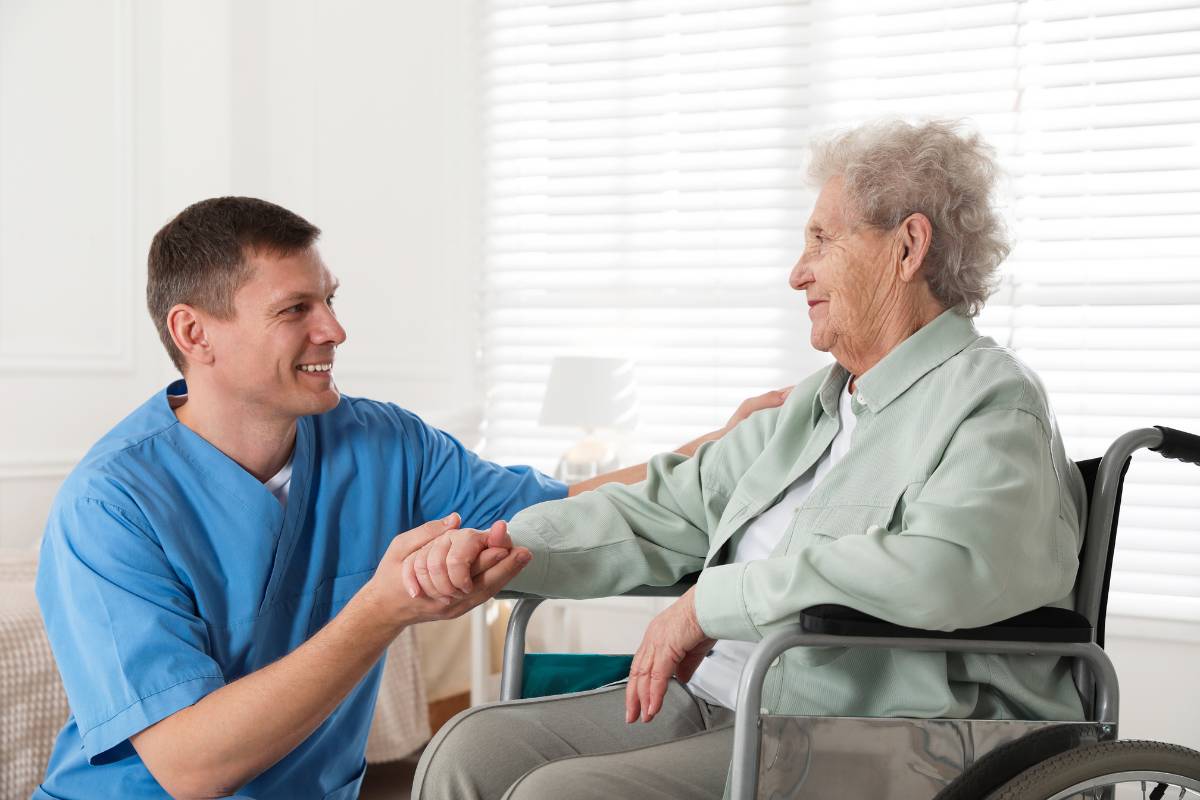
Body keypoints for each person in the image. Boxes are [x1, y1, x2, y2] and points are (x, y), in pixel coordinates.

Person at [409, 119, 1089, 800]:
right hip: (719, 699)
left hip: (870, 733)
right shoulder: (810, 407)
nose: (797, 273)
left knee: (560, 795)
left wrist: (712, 604)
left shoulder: (992, 403)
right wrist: (498, 551)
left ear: (908, 247)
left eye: (822, 240)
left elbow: (944, 568)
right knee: (470, 751)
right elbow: (660, 509)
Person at [32, 197, 783, 800]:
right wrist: (379, 611)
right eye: (295, 309)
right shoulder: (110, 506)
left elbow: (564, 508)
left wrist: (718, 447)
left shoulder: (384, 443)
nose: (335, 329)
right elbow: (190, 769)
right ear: (195, 333)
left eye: (330, 299)